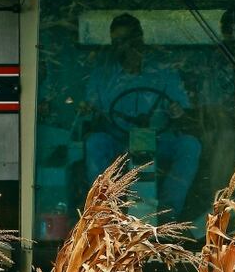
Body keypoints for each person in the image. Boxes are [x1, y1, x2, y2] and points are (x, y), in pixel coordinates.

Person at [84, 13, 202, 222]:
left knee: (189, 145)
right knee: (94, 143)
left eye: (128, 40)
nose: (124, 47)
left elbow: (183, 111)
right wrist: (91, 113)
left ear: (139, 39)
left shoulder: (163, 72)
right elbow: (90, 113)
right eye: (117, 42)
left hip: (159, 139)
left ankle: (168, 214)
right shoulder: (103, 76)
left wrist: (177, 112)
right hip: (118, 140)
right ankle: (105, 214)